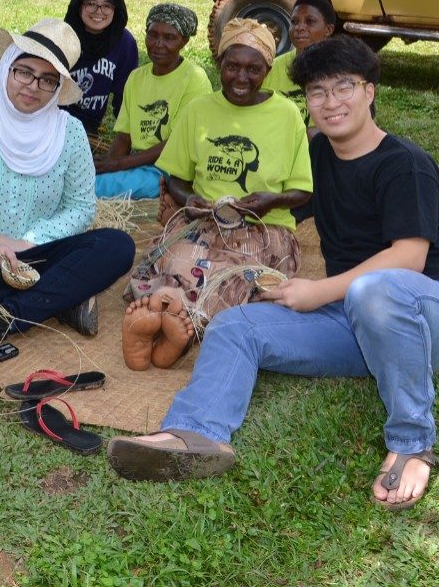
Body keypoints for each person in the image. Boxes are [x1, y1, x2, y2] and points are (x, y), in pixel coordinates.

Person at [107, 36, 439, 513]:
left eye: (344, 87)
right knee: (235, 324)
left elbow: (409, 257)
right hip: (351, 322)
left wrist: (319, 291)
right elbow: (284, 210)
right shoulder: (320, 157)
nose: (331, 102)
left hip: (422, 318)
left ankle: (412, 443)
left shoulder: (405, 164)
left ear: (369, 92)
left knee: (374, 291)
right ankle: (195, 434)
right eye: (317, 92)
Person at [0, 19, 136, 361]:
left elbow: (80, 207)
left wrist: (30, 241)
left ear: (58, 88)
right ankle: (64, 298)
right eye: (24, 72)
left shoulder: (71, 132)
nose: (33, 87)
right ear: (7, 68)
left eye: (48, 80)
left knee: (118, 246)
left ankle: (4, 319)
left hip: (42, 252)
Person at [121, 18, 312, 371]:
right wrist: (189, 199)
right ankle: (172, 318)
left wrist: (271, 200)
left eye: (253, 69)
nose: (241, 77)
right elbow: (177, 177)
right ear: (219, 64)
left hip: (264, 227)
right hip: (205, 222)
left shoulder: (286, 115)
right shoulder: (199, 110)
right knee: (178, 257)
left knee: (236, 272)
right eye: (232, 66)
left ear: (268, 70)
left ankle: (174, 323)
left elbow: (301, 190)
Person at [94, 3, 210, 199]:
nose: (158, 44)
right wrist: (108, 166)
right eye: (153, 34)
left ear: (184, 41)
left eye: (169, 37)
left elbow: (175, 145)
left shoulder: (194, 79)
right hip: (138, 164)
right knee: (88, 177)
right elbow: (124, 137)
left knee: (94, 187)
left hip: (171, 171)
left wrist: (117, 165)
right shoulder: (136, 78)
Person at [61, 0, 138, 136]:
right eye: (91, 4)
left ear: (115, 9)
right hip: (53, 119)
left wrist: (128, 137)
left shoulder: (124, 42)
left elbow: (124, 97)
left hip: (88, 128)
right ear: (79, 6)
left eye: (107, 6)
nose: (98, 11)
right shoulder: (62, 36)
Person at [262, 0, 340, 133]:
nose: (299, 27)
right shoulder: (272, 67)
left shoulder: (341, 70)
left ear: (328, 30)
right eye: (294, 22)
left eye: (309, 22)